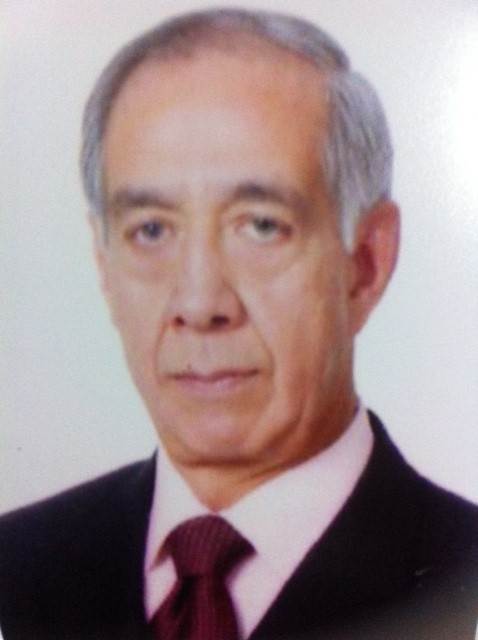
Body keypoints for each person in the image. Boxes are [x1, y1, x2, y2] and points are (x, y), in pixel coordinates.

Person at [0, 8, 476, 640]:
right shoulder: (16, 570)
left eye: (261, 226)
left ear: (366, 262)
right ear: (104, 266)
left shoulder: (461, 582)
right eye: (151, 230)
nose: (200, 304)